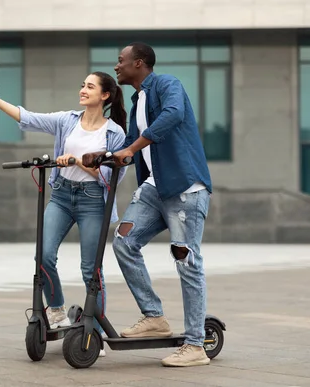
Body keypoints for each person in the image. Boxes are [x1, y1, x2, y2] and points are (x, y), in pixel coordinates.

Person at [0, 70, 128, 355]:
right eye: (82, 85)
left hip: (92, 202)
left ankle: (93, 334)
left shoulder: (115, 133)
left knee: (91, 270)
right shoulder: (67, 120)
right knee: (44, 256)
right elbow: (29, 118)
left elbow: (113, 179)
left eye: (90, 86)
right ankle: (58, 309)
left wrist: (78, 161)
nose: (83, 90)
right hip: (62, 195)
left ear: (105, 95)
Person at [97, 42, 212, 367]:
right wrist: (102, 156)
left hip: (185, 188)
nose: (116, 66)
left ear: (140, 63)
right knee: (124, 241)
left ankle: (195, 345)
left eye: (121, 61)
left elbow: (173, 115)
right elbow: (129, 147)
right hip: (154, 188)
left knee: (186, 259)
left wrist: (132, 148)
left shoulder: (166, 84)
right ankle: (153, 315)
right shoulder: (138, 101)